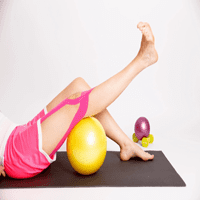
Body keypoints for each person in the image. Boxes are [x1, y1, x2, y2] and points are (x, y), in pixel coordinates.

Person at [0, 22, 158, 179]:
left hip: (16, 134)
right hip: (15, 155)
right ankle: (142, 60)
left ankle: (126, 145)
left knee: (78, 86)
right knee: (75, 104)